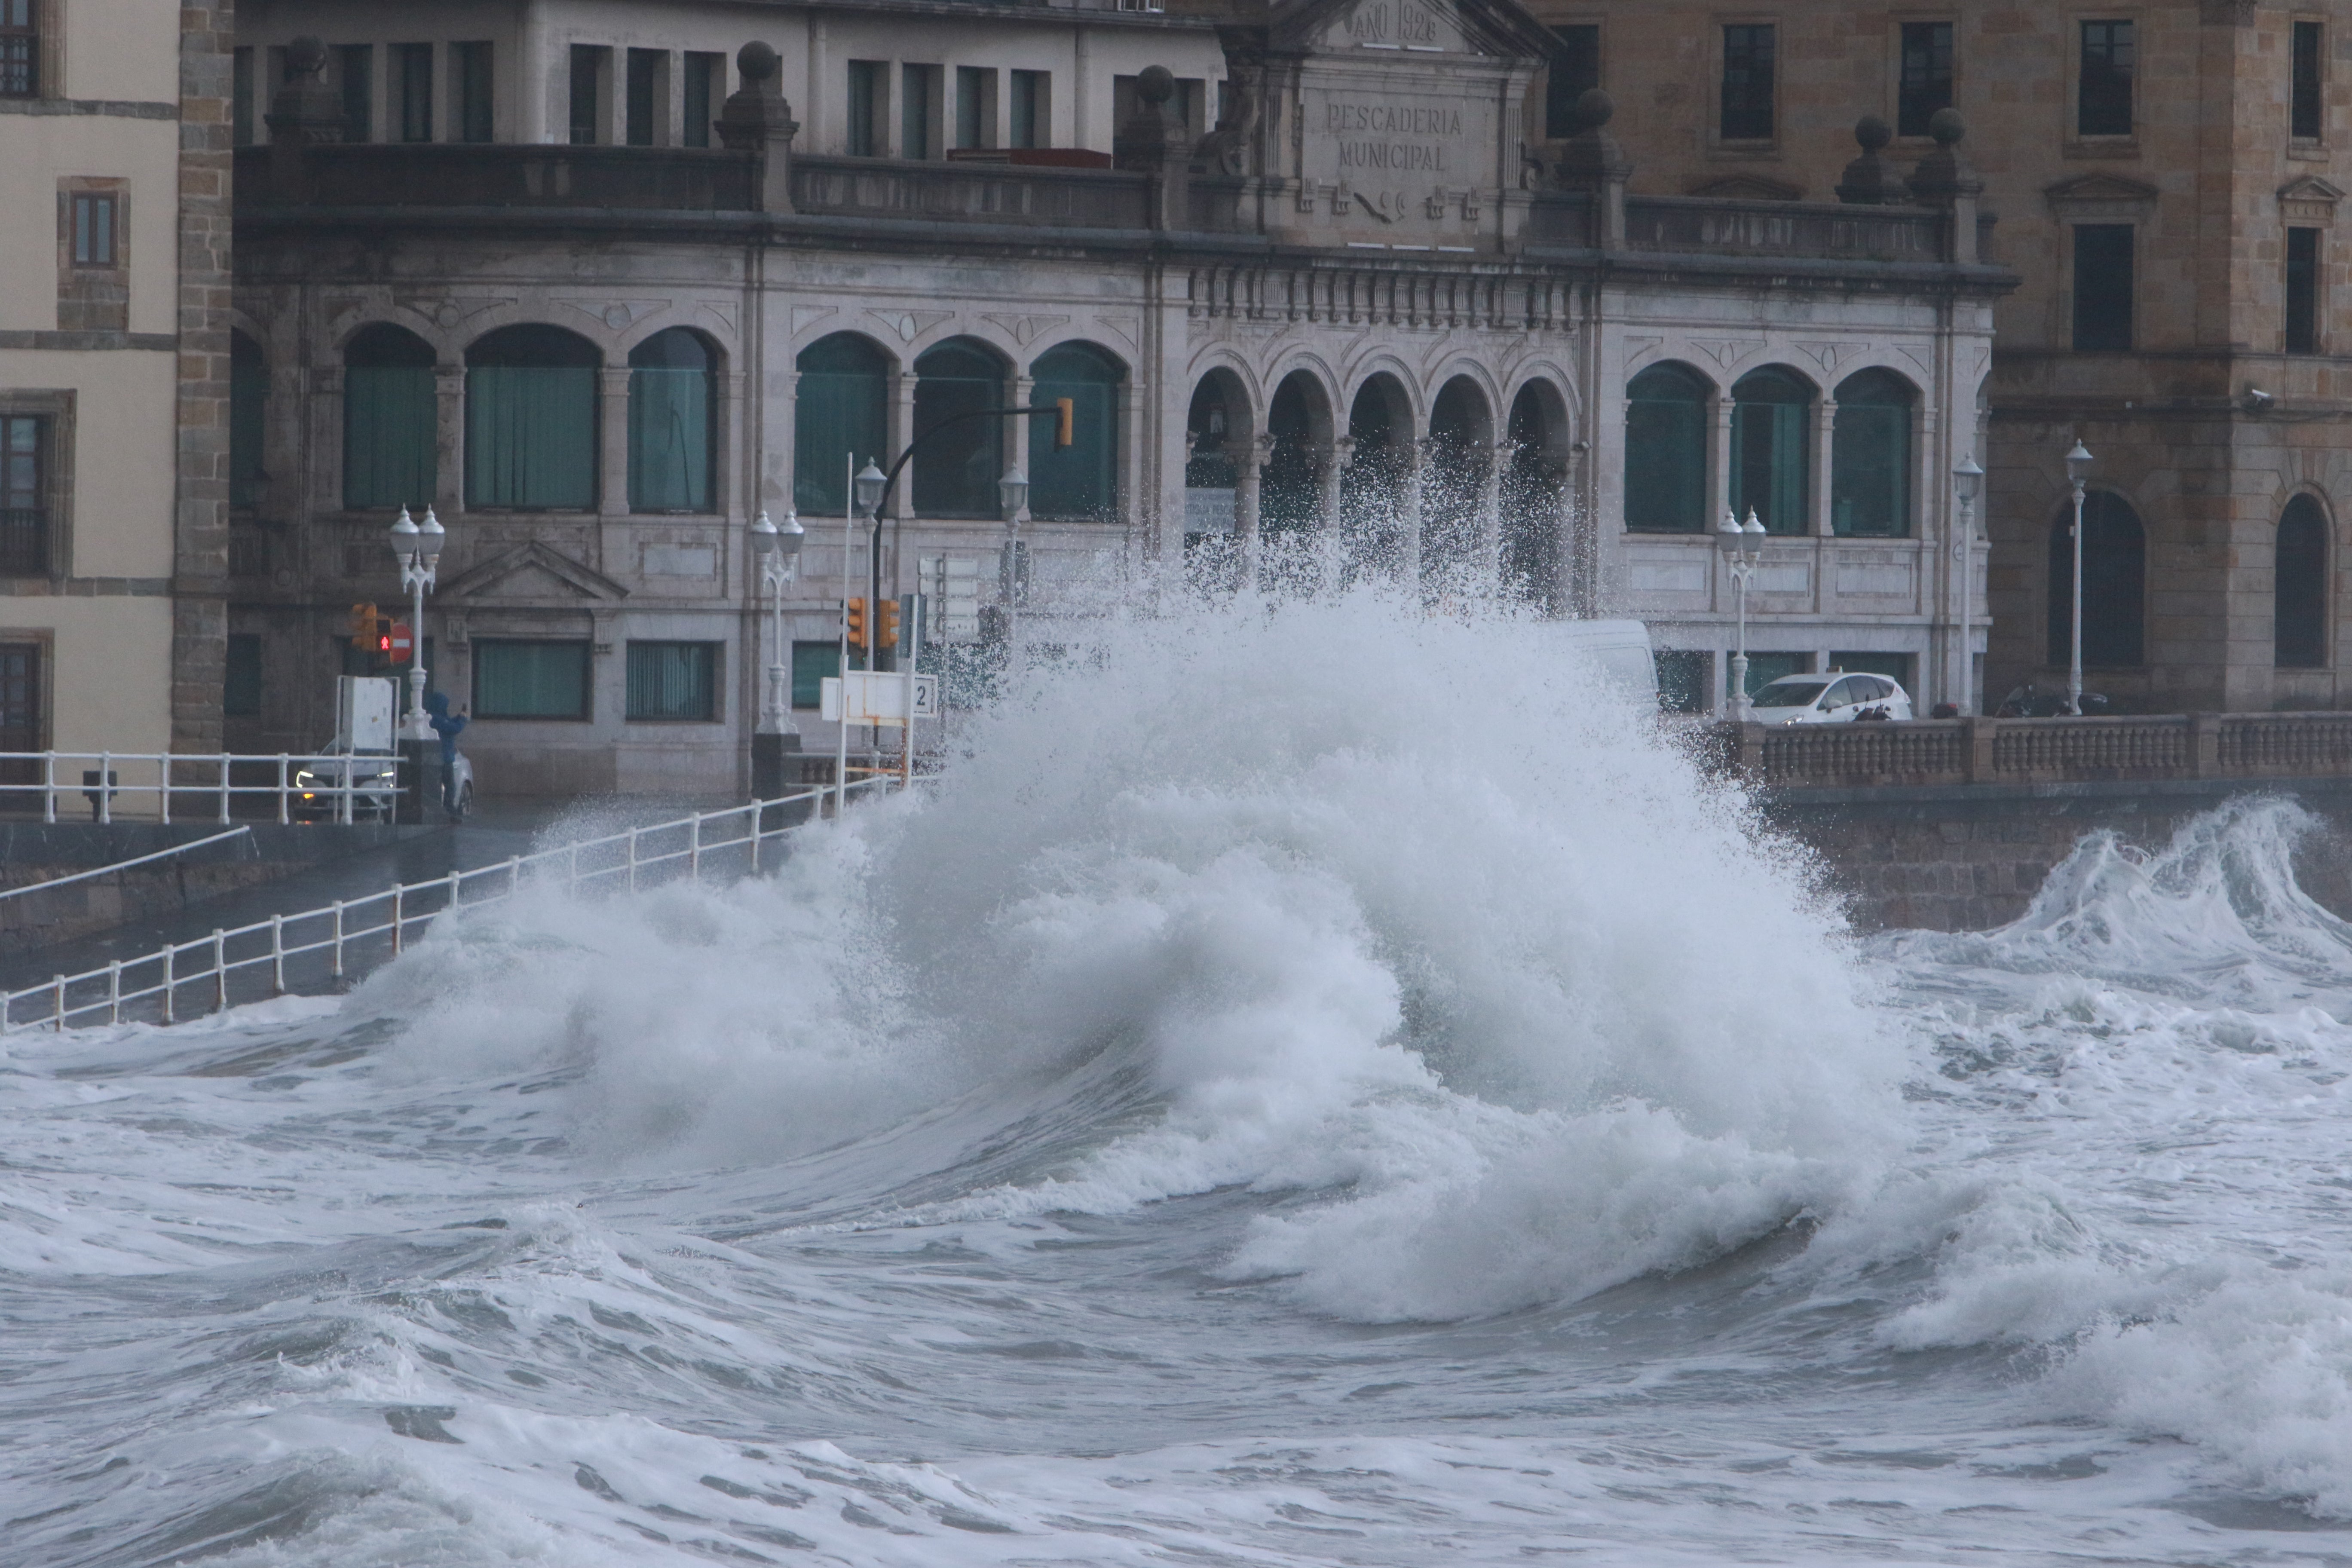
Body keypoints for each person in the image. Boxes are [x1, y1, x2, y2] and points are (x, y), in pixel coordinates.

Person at [424, 690, 468, 812]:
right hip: (443, 758)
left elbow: (449, 723)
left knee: (441, 785)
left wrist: (459, 717)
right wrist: (462, 720)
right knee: (449, 786)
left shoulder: (435, 718)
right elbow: (453, 728)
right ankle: (448, 809)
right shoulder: (436, 718)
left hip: (440, 758)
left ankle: (442, 808)